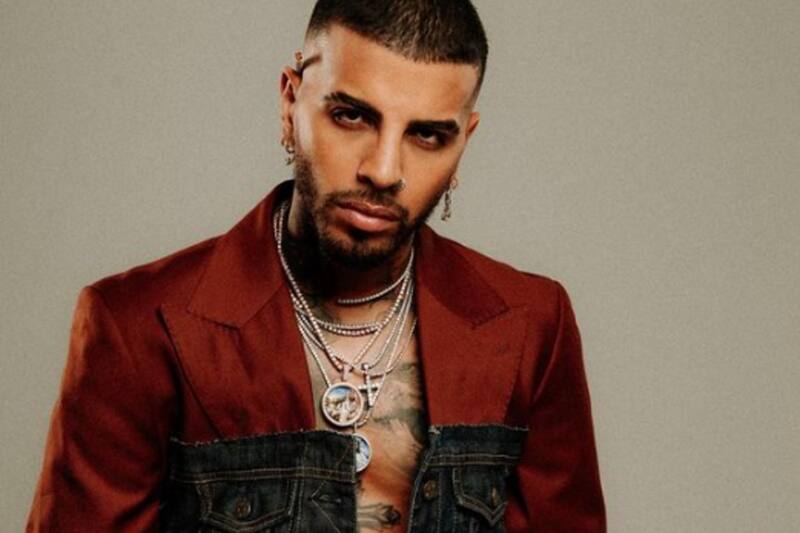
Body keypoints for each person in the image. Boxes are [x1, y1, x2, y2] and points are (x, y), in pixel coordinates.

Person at [27, 1, 605, 531]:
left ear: (463, 144)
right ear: (291, 102)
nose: (383, 170)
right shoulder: (137, 326)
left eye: (427, 135)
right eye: (351, 116)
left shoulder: (531, 325)